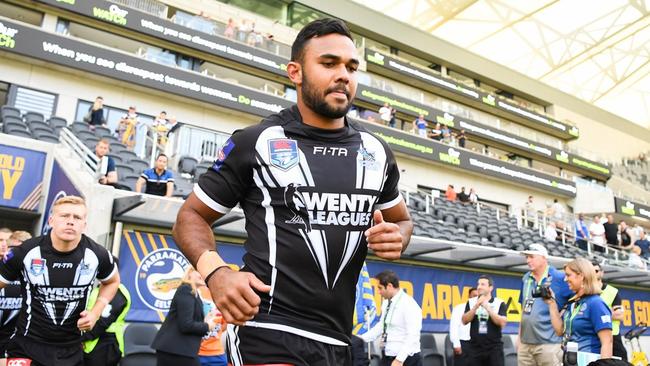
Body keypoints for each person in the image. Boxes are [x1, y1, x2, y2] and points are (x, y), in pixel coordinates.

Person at [172, 18, 412, 365]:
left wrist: (398, 237)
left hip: (339, 340)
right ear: (295, 72)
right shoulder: (257, 141)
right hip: (267, 329)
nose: (343, 74)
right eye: (329, 63)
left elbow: (402, 222)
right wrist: (217, 272)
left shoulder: (376, 152)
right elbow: (189, 216)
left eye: (351, 67)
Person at [0, 196, 119, 366]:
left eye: (77, 217)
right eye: (64, 216)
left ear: (84, 224)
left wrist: (95, 313)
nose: (70, 222)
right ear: (51, 220)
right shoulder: (25, 252)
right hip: (27, 346)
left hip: (70, 350)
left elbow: (112, 282)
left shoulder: (97, 255)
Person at [518, 244, 573, 366]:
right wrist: (519, 339)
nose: (528, 260)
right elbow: (524, 310)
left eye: (531, 257)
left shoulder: (559, 277)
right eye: (526, 257)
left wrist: (563, 314)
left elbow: (576, 300)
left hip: (550, 344)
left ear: (544, 258)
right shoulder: (526, 278)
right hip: (525, 344)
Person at [547, 258, 613, 359]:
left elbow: (607, 342)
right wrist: (552, 304)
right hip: (571, 360)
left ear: (581, 276)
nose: (565, 279)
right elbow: (560, 331)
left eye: (568, 275)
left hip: (589, 361)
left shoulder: (596, 303)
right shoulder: (574, 302)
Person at [152, 267, 217, 366]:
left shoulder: (194, 293)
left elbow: (187, 320)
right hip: (175, 350)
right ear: (190, 273)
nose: (203, 275)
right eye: (200, 272)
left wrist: (205, 320)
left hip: (180, 350)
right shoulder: (186, 290)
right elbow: (186, 325)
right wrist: (207, 326)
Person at [359, 270, 421, 366]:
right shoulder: (386, 302)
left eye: (380, 288)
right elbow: (381, 326)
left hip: (406, 359)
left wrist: (399, 360)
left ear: (389, 286)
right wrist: (360, 339)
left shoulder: (409, 304)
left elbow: (413, 335)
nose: (378, 292)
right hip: (388, 356)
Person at [82, 261, 131, 366]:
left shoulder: (118, 292)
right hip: (91, 345)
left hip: (107, 346)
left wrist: (81, 339)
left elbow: (103, 321)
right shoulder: (98, 289)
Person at [461, 275, 507, 366]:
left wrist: (487, 307)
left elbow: (502, 323)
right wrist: (475, 306)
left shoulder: (499, 303)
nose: (479, 287)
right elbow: (464, 320)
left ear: (490, 288)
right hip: (475, 348)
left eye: (483, 284)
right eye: (478, 284)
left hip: (494, 348)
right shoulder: (471, 302)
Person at [591, 262, 627, 361]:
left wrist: (595, 314)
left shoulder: (612, 291)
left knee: (621, 361)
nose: (593, 273)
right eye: (591, 271)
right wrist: (609, 312)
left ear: (602, 273)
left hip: (613, 335)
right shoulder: (585, 292)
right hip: (592, 336)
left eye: (596, 271)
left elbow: (620, 316)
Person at [0, 228, 19, 366]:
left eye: (7, 241)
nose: (4, 244)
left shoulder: (21, 269)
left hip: (11, 339)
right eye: (0, 240)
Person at [197, 283, 228, 366]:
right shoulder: (194, 298)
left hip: (217, 354)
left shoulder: (222, 302)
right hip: (197, 353)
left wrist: (214, 330)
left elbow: (224, 325)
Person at [449, 287, 477, 366]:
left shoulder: (482, 309)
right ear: (469, 296)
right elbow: (453, 327)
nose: (476, 298)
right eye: (474, 296)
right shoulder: (459, 308)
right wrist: (456, 344)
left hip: (477, 345)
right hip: (463, 344)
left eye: (478, 296)